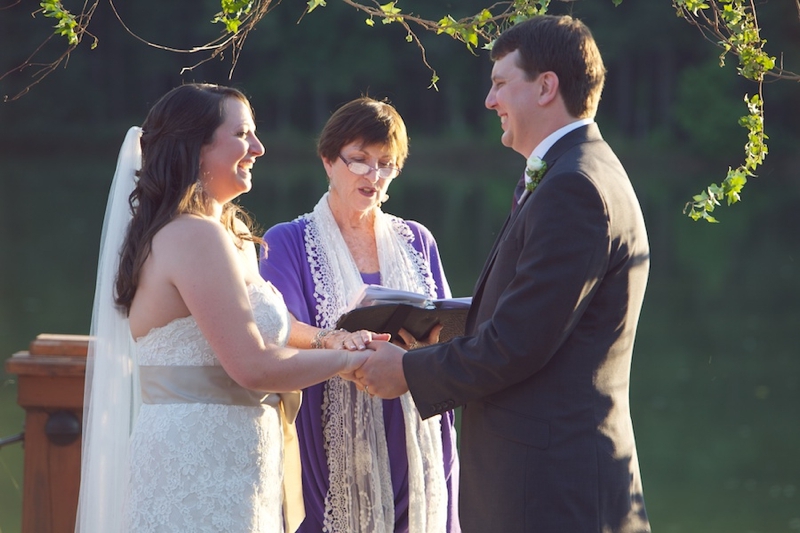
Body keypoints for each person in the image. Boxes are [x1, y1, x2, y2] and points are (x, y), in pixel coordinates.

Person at [355, 15, 652, 533]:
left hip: (552, 492)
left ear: (545, 87)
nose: (490, 101)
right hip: (543, 482)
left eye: (498, 83)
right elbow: (541, 318)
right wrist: (442, 333)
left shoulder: (574, 188)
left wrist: (407, 371)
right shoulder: (575, 171)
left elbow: (520, 343)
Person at [75, 83, 380, 533]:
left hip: (236, 459)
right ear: (196, 148)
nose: (258, 147)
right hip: (197, 463)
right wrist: (351, 362)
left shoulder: (225, 228)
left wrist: (328, 338)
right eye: (242, 134)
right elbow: (253, 365)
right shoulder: (193, 235)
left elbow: (254, 327)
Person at [259, 97, 460, 533]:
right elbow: (281, 326)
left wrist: (435, 336)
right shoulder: (288, 241)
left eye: (386, 164)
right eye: (360, 161)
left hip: (416, 416)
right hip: (330, 421)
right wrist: (332, 339)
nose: (374, 175)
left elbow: (444, 324)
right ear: (328, 161)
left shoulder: (418, 239)